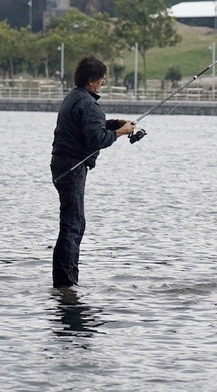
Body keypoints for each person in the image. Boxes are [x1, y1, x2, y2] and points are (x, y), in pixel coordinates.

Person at [50, 56, 135, 289]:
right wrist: (120, 132)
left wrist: (115, 123)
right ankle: (66, 284)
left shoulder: (74, 97)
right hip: (72, 167)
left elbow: (89, 126)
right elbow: (97, 138)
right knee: (74, 224)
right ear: (92, 81)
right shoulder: (89, 103)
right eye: (102, 81)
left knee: (71, 223)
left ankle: (64, 281)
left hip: (62, 164)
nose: (101, 85)